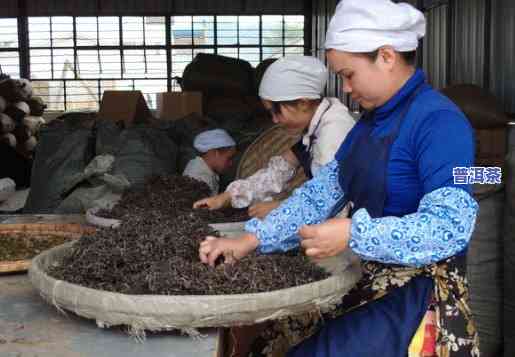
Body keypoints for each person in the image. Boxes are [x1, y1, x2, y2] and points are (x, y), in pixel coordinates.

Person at [198, 1, 480, 356]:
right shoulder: (368, 124)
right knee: (273, 340)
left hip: (418, 292)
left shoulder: (440, 123)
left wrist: (353, 233)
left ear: (387, 56)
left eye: (349, 74)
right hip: (372, 276)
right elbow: (321, 194)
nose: (345, 89)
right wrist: (250, 241)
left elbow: (450, 227)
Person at [193, 56, 355, 218]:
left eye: (276, 111)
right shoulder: (315, 128)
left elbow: (334, 205)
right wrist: (226, 197)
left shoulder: (332, 136)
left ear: (303, 104)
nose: (274, 120)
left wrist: (282, 207)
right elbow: (277, 172)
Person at [183, 128, 236, 195]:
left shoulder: (201, 165)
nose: (231, 163)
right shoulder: (199, 179)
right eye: (229, 158)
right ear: (215, 153)